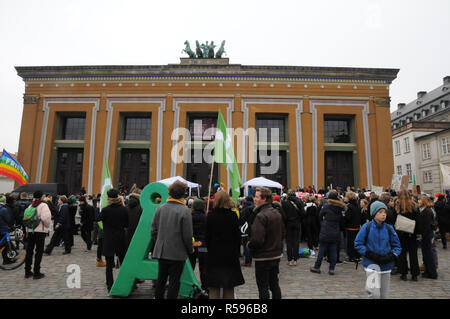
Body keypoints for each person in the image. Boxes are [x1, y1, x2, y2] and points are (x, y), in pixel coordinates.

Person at [151, 181, 192, 299]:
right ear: (183, 194)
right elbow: (187, 236)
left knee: (161, 280)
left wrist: (160, 241)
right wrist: (190, 249)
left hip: (162, 251)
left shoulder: (160, 208)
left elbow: (153, 231)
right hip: (177, 253)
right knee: (174, 282)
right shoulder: (185, 211)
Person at [354, 201, 401, 299]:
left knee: (383, 296)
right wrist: (369, 254)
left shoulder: (389, 228)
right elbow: (358, 244)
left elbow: (397, 246)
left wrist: (392, 256)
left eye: (384, 212)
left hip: (386, 266)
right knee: (374, 294)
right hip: (372, 265)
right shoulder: (366, 227)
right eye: (380, 212)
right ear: (374, 213)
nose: (383, 214)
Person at [206, 191, 245, 299]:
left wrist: (210, 249)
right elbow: (237, 237)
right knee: (229, 286)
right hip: (230, 255)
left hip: (214, 255)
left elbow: (207, 237)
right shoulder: (232, 216)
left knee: (214, 287)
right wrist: (236, 251)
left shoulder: (210, 216)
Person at [248, 187, 285, 299]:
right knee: (274, 285)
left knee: (263, 287)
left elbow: (257, 240)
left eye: (257, 197)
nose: (254, 199)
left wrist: (249, 246)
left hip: (263, 257)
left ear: (264, 199)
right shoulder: (277, 213)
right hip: (275, 255)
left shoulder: (261, 216)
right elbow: (283, 234)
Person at [97, 188, 129, 292]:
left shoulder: (106, 210)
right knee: (124, 263)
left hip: (109, 239)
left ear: (108, 198)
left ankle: (110, 286)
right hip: (120, 238)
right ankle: (125, 283)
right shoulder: (124, 209)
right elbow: (127, 224)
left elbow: (97, 219)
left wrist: (99, 208)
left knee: (109, 266)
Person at [310, 190, 345, 275]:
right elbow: (342, 219)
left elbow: (320, 216)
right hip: (335, 229)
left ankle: (317, 267)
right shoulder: (340, 207)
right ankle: (332, 269)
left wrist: (323, 223)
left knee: (322, 249)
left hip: (326, 229)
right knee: (333, 249)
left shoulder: (326, 206)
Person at [24, 191, 52, 279]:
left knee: (29, 251)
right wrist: (47, 226)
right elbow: (45, 218)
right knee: (39, 252)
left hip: (30, 230)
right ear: (41, 197)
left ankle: (27, 271)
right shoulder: (43, 205)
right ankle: (36, 272)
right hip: (40, 231)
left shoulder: (31, 205)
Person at [395, 189, 420, 281]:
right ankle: (414, 274)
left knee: (402, 254)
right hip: (412, 233)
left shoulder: (398, 206)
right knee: (413, 255)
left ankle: (403, 273)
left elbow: (395, 219)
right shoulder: (414, 205)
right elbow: (418, 220)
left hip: (401, 233)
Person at [417, 195, 438, 279]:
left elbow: (426, 225)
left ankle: (432, 273)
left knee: (429, 254)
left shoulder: (427, 211)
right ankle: (428, 271)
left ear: (424, 201)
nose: (418, 201)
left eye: (420, 200)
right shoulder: (425, 210)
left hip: (427, 234)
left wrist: (422, 235)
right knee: (426, 254)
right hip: (425, 234)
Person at [281, 189, 303, 266]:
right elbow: (303, 213)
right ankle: (295, 259)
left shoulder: (284, 203)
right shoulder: (299, 202)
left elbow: (283, 215)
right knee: (296, 241)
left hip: (288, 224)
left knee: (289, 242)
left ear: (288, 195)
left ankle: (290, 259)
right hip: (297, 223)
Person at [189, 199, 208, 290]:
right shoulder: (206, 218)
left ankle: (189, 284)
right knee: (204, 266)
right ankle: (205, 286)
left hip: (192, 244)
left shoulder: (189, 216)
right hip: (202, 245)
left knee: (190, 265)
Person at [343, 191, 362, 263]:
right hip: (357, 226)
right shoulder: (357, 205)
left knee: (350, 243)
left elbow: (348, 217)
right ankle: (357, 256)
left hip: (350, 227)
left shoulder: (349, 206)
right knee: (356, 242)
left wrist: (343, 218)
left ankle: (351, 257)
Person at [238, 196, 255, 267]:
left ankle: (248, 261)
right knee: (250, 244)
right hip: (253, 227)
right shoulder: (255, 207)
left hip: (246, 227)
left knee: (246, 245)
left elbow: (242, 219)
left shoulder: (245, 208)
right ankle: (249, 259)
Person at [0, 195, 13, 264]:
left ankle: (7, 260)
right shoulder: (4, 209)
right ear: (4, 201)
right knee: (5, 245)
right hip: (3, 229)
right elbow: (8, 220)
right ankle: (6, 260)